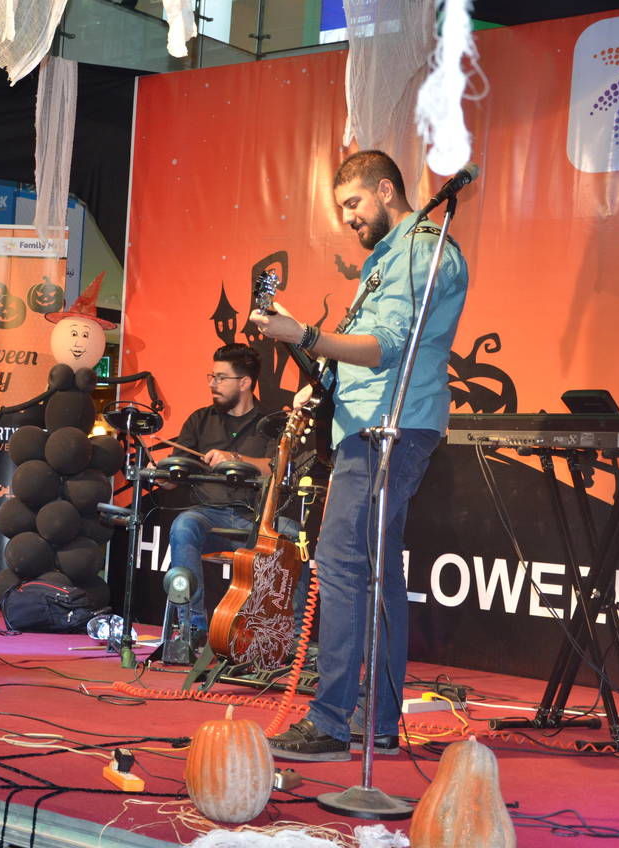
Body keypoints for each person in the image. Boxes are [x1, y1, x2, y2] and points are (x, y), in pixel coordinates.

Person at [251, 149, 469, 761]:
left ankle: (328, 722)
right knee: (376, 574)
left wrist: (303, 336)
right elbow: (368, 349)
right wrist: (315, 368)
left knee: (342, 560)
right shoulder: (388, 259)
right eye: (342, 208)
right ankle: (375, 723)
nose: (348, 218)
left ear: (384, 188)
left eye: (353, 204)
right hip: (372, 427)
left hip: (388, 430)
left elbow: (388, 347)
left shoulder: (419, 247)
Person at [162, 343, 284, 642]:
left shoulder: (271, 423)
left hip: (253, 519)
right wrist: (165, 476)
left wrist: (236, 459)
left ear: (244, 383)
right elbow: (177, 473)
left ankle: (286, 638)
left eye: (220, 378)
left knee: (293, 541)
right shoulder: (200, 420)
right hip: (208, 516)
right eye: (211, 377)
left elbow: (276, 468)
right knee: (184, 525)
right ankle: (193, 629)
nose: (213, 385)